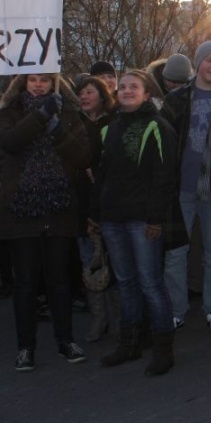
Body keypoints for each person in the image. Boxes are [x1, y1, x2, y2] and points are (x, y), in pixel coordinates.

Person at [0, 74, 91, 372]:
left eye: (44, 81)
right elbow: (10, 142)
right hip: (21, 210)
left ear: (54, 84)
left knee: (59, 280)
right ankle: (26, 347)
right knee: (25, 282)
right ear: (22, 83)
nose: (38, 85)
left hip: (59, 207)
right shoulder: (9, 111)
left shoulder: (68, 112)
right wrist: (40, 116)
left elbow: (82, 156)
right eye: (33, 80)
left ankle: (66, 340)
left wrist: (56, 129)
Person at [90, 70, 179, 377]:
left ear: (146, 93)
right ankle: (129, 344)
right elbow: (102, 176)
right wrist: (95, 214)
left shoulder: (157, 126)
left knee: (151, 284)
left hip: (142, 221)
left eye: (134, 87)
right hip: (113, 219)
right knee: (126, 282)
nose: (127, 91)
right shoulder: (109, 129)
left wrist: (155, 219)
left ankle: (163, 350)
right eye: (123, 87)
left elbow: (164, 177)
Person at [161, 40, 211, 334]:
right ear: (198, 63)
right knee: (176, 253)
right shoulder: (177, 99)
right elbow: (166, 143)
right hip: (182, 188)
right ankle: (176, 309)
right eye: (209, 60)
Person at [75, 76, 118, 342]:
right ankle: (98, 317)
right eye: (80, 93)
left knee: (114, 260)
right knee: (89, 261)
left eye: (89, 92)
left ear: (101, 95)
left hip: (109, 201)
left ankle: (117, 317)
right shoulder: (73, 124)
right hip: (80, 201)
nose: (84, 96)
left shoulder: (113, 123)